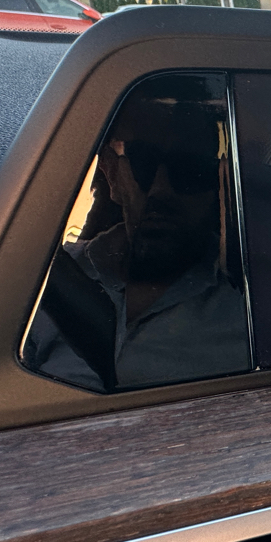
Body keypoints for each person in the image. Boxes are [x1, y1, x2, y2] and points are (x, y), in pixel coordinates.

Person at [23, 75, 251, 390]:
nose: (161, 189)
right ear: (112, 175)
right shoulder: (44, 279)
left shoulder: (246, 311)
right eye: (144, 162)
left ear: (220, 185)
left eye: (189, 170)